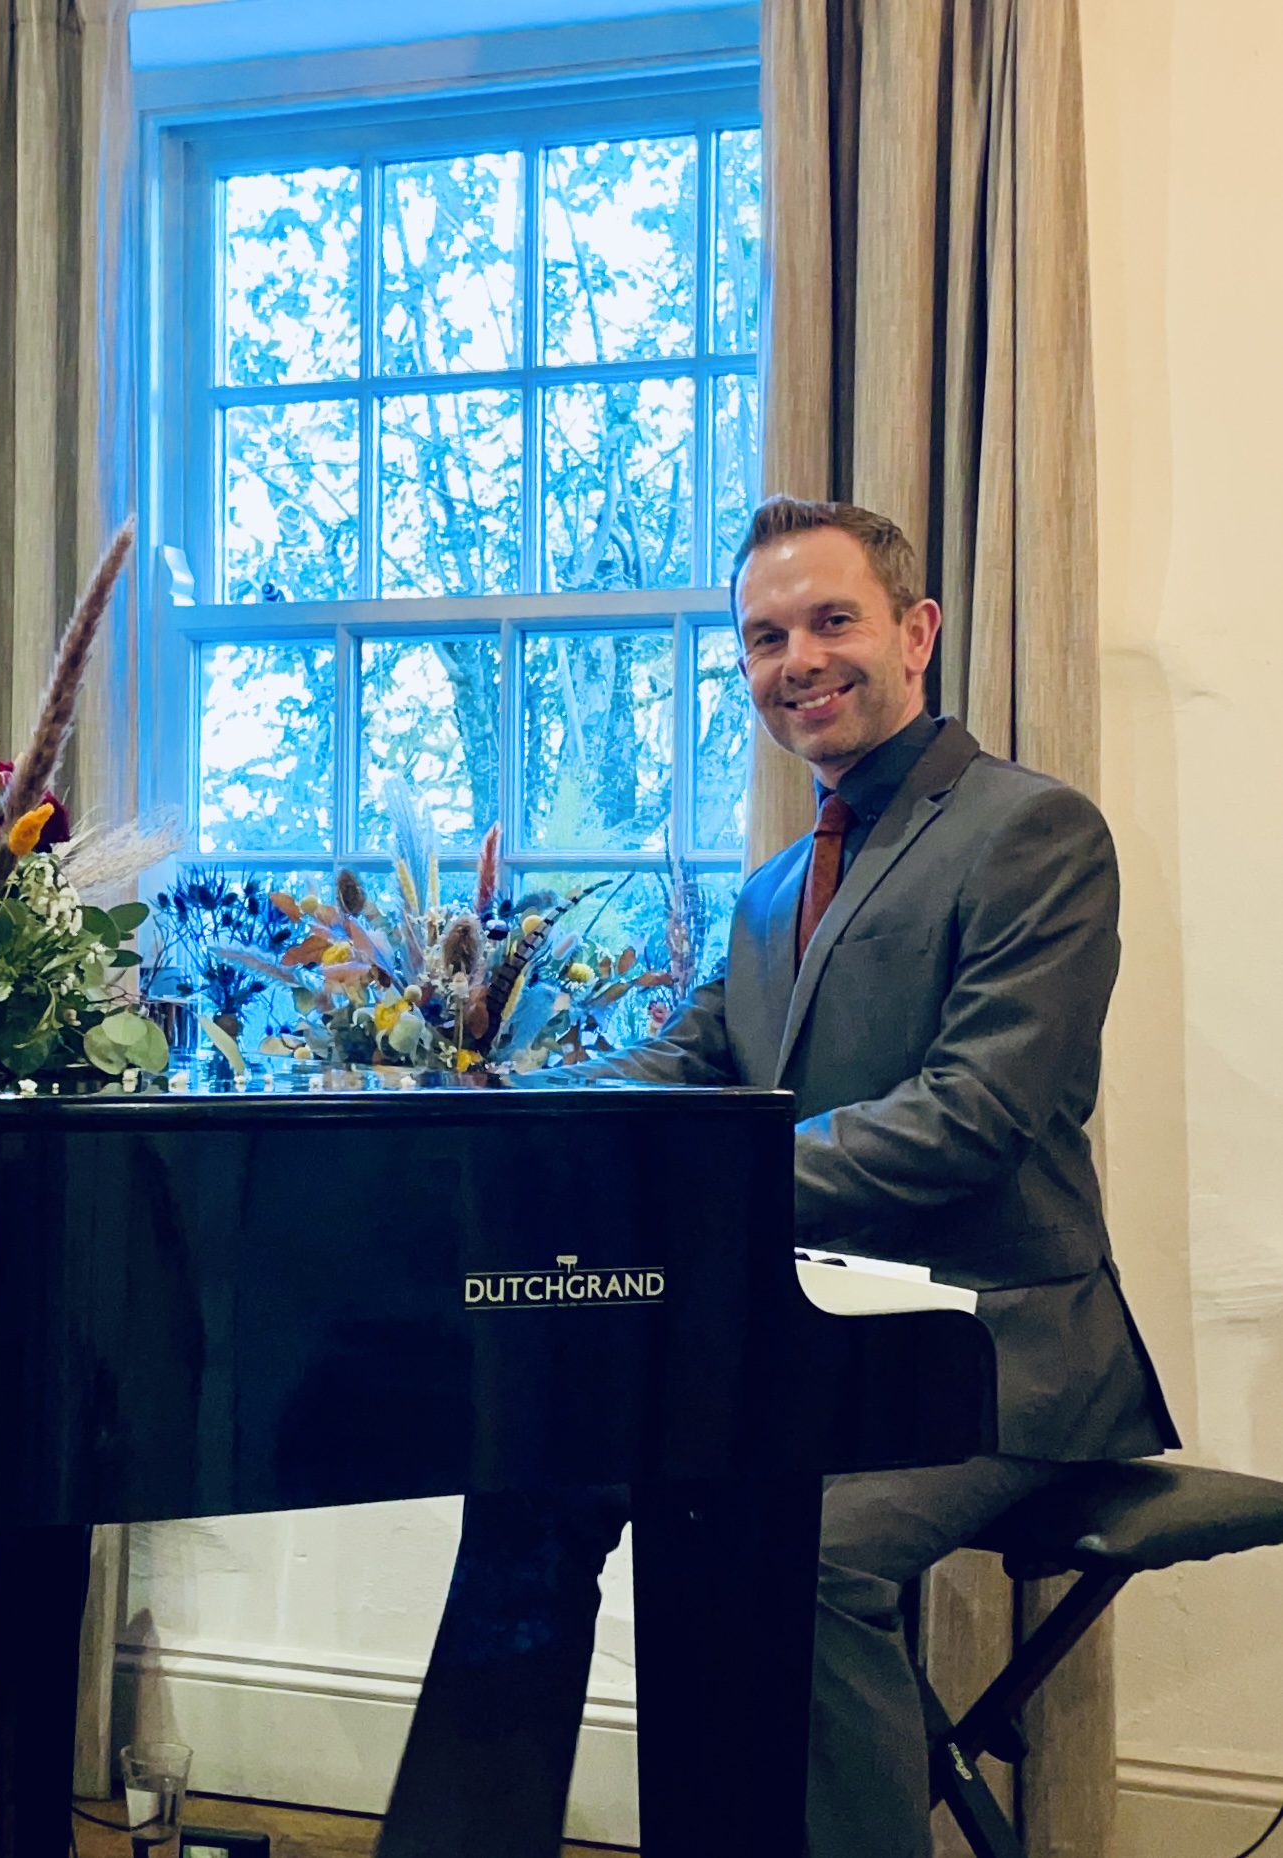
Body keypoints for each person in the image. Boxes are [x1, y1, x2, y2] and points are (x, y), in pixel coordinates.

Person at [375, 497, 1177, 1858]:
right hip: (802, 1348)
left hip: (999, 1354)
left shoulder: (1034, 830)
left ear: (916, 633)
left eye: (829, 621)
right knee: (530, 1478)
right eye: (762, 636)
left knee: (796, 1553)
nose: (794, 659)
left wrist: (708, 1188)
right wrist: (490, 1117)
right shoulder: (769, 890)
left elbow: (973, 1115)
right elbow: (679, 1067)